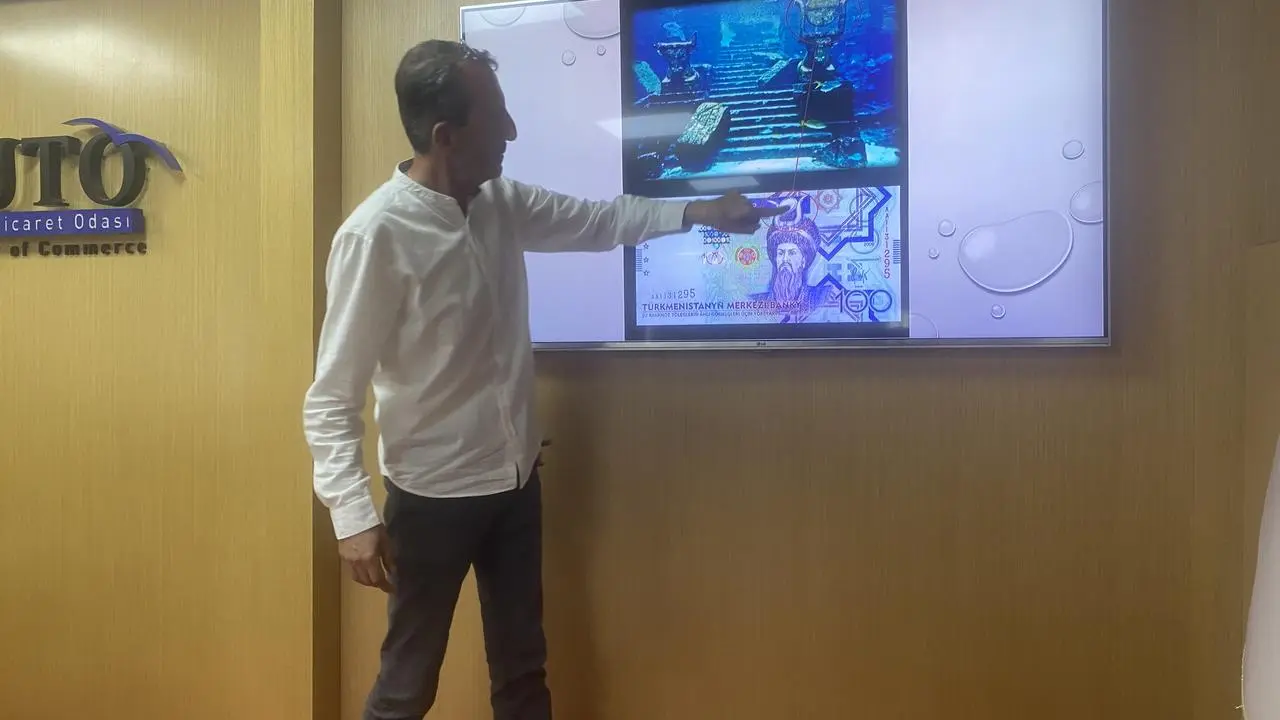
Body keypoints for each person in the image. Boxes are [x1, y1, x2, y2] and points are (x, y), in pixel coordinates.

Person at [302, 39, 782, 720]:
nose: (512, 131)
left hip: (515, 484)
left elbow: (600, 221)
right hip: (432, 500)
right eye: (496, 116)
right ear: (446, 135)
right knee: (408, 684)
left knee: (524, 673)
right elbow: (330, 398)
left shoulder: (499, 202)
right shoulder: (375, 236)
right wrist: (352, 517)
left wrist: (698, 212)